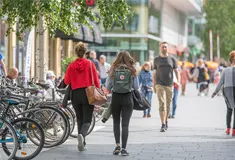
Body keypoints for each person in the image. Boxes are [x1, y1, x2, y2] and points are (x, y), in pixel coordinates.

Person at [64, 42, 100, 151]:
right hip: (87, 94)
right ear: (85, 52)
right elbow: (96, 80)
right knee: (87, 119)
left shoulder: (71, 65)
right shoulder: (90, 64)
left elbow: (66, 81)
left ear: (76, 52)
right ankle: (82, 136)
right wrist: (98, 91)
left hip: (75, 95)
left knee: (79, 119)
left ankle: (82, 143)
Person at [106, 51, 139, 156]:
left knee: (116, 122)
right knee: (125, 124)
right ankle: (124, 148)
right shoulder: (132, 70)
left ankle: (117, 146)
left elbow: (108, 86)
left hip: (116, 98)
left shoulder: (113, 69)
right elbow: (136, 87)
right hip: (128, 98)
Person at [153, 42, 180, 132]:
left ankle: (166, 120)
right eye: (163, 47)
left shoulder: (172, 59)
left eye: (165, 47)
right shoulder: (156, 59)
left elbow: (176, 71)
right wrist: (154, 85)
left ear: (167, 49)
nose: (164, 48)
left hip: (170, 85)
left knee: (168, 105)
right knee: (162, 103)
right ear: (160, 48)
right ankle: (163, 124)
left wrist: (178, 82)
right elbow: (154, 74)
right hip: (159, 84)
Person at [212, 51, 235, 136]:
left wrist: (215, 92)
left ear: (230, 60)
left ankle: (228, 129)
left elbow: (220, 82)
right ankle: (234, 130)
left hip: (228, 90)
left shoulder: (225, 70)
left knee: (229, 110)